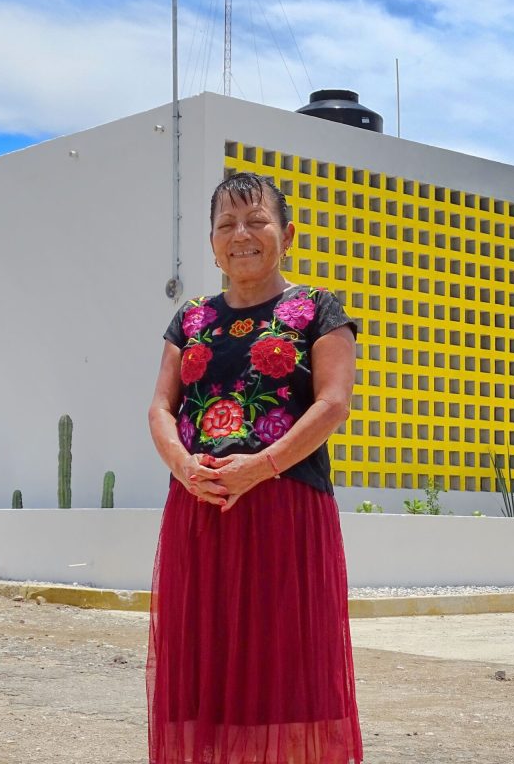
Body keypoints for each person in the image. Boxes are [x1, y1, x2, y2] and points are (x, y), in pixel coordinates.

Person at [146, 171, 363, 764]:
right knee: (205, 673)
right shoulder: (189, 318)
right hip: (200, 513)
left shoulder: (316, 309)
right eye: (226, 224)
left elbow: (332, 403)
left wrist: (259, 467)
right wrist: (186, 467)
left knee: (286, 669)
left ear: (286, 234)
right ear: (212, 242)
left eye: (256, 220)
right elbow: (161, 408)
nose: (241, 234)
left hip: (285, 513)